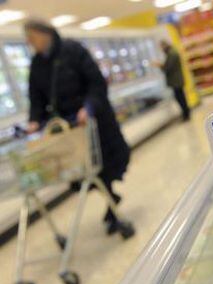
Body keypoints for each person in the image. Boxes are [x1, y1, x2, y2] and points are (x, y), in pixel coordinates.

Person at [24, 19, 133, 236]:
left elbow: (96, 83)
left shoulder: (73, 50)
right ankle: (112, 203)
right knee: (85, 173)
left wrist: (89, 107)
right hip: (67, 130)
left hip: (94, 123)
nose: (30, 43)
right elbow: (36, 97)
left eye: (32, 37)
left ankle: (112, 210)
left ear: (44, 33)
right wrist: (34, 119)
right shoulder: (37, 63)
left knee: (104, 166)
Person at [158, 40, 190, 121]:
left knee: (180, 98)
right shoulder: (172, 52)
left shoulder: (171, 54)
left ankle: (186, 114)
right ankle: (186, 113)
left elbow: (168, 68)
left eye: (161, 47)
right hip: (177, 80)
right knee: (181, 97)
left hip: (176, 80)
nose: (161, 49)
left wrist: (160, 66)